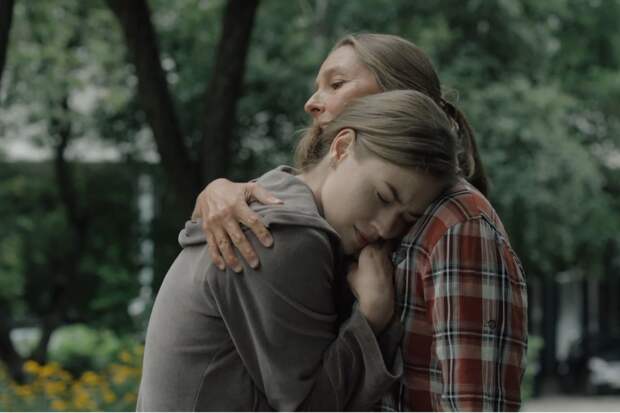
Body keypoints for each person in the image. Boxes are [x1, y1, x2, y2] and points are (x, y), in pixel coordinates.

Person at [192, 33, 528, 411]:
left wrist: (371, 319)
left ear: (400, 100)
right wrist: (219, 190)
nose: (311, 103)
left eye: (336, 84)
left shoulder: (458, 224)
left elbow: (476, 402)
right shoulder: (336, 215)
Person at [137, 90, 460, 411]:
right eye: (384, 197)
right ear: (342, 147)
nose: (387, 228)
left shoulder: (275, 194)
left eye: (407, 219)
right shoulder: (289, 238)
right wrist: (372, 318)